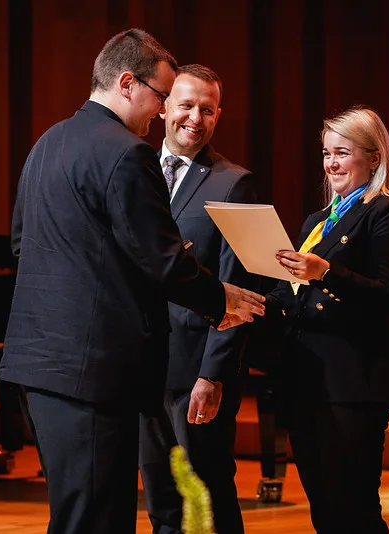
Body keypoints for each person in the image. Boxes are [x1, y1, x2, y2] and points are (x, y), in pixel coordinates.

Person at [0, 29, 265, 534]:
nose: (161, 110)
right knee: (99, 519)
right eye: (161, 95)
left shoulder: (47, 143)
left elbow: (20, 245)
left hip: (39, 369)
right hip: (93, 371)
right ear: (126, 83)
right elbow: (160, 261)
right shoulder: (126, 152)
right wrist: (219, 298)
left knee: (75, 515)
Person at [266, 106, 389, 533]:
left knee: (354, 511)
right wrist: (250, 302)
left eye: (342, 153)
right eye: (327, 153)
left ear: (373, 157)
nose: (331, 163)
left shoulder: (387, 212)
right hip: (306, 382)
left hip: (352, 387)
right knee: (325, 512)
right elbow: (292, 296)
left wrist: (325, 272)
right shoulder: (317, 222)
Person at [138, 64, 257, 534]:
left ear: (218, 116)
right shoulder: (134, 168)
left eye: (207, 110)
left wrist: (213, 375)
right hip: (143, 364)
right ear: (163, 107)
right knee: (161, 500)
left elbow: (238, 287)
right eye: (186, 105)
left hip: (196, 370)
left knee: (207, 495)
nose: (195, 118)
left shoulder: (233, 183)